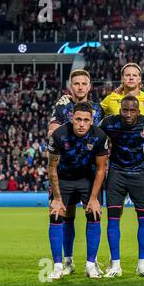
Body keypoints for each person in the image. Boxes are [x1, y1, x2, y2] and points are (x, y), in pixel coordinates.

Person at [100, 63, 144, 274]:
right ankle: (114, 263)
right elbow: (92, 126)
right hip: (116, 173)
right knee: (114, 218)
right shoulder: (108, 117)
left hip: (142, 171)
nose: (127, 113)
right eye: (124, 109)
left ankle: (143, 263)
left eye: (131, 110)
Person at [47, 69, 104, 275]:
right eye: (76, 84)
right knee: (63, 214)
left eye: (84, 83)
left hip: (89, 173)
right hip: (65, 172)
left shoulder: (99, 108)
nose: (80, 87)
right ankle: (67, 261)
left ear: (90, 86)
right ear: (71, 87)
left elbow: (102, 138)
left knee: (93, 212)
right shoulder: (62, 106)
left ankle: (92, 262)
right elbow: (52, 134)